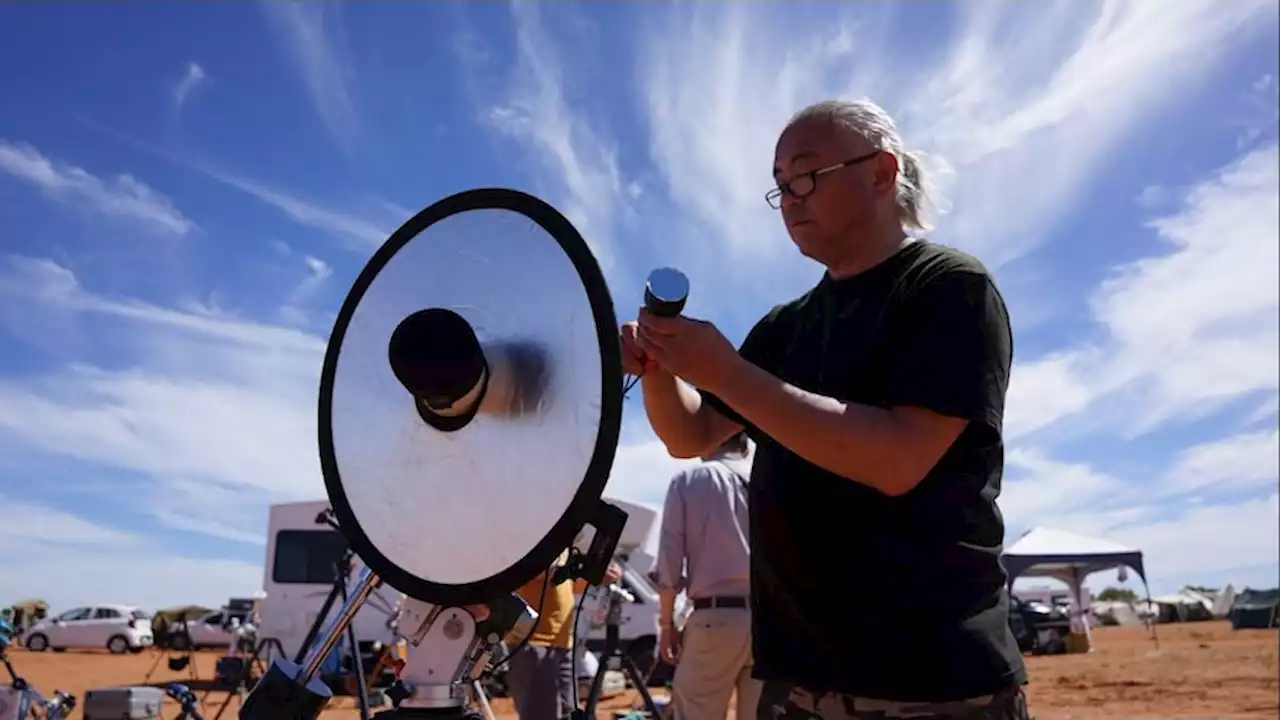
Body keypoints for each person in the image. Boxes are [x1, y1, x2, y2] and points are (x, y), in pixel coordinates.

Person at [622, 98, 1029, 719]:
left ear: (881, 172)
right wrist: (659, 366)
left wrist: (725, 371)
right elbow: (692, 432)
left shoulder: (947, 287)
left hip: (931, 680)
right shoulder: (786, 327)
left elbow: (898, 459)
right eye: (780, 185)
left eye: (806, 175)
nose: (789, 198)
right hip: (796, 679)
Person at [654, 430, 760, 720]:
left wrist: (667, 625)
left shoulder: (691, 481)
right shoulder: (768, 481)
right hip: (770, 622)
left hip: (716, 619)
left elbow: (669, 565)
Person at [504, 553, 622, 720]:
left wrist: (597, 577)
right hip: (534, 641)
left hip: (561, 642)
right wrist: (581, 570)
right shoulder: (533, 536)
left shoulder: (562, 541)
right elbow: (528, 570)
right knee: (541, 715)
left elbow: (566, 583)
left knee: (567, 713)